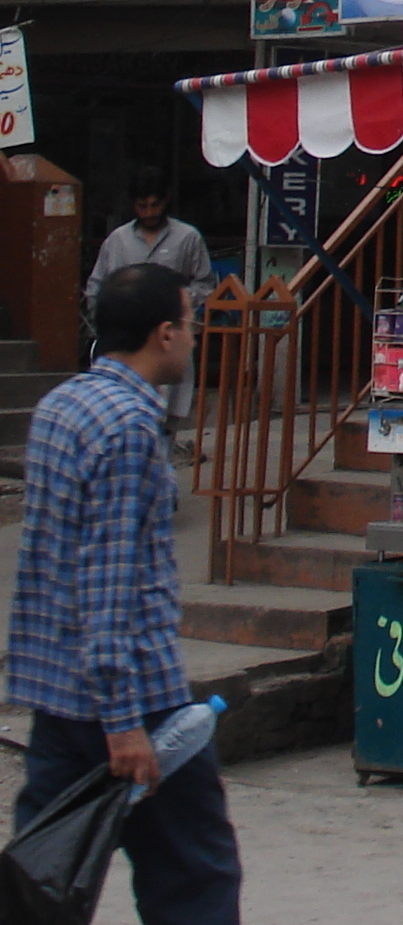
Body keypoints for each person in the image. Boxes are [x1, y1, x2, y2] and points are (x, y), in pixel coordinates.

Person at [7, 266, 242, 925]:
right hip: (135, 702)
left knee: (41, 874)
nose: (194, 339)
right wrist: (124, 723)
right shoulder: (132, 428)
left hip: (56, 696)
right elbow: (108, 583)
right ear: (164, 335)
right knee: (197, 875)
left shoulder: (61, 406)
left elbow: (49, 561)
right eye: (190, 325)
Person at [88, 168, 213, 432]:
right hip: (127, 342)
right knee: (124, 416)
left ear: (166, 200)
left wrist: (175, 303)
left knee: (166, 422)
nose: (149, 212)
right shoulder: (118, 240)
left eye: (154, 205)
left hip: (168, 339)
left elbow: (204, 283)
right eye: (142, 206)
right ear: (133, 205)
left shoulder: (187, 237)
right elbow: (96, 286)